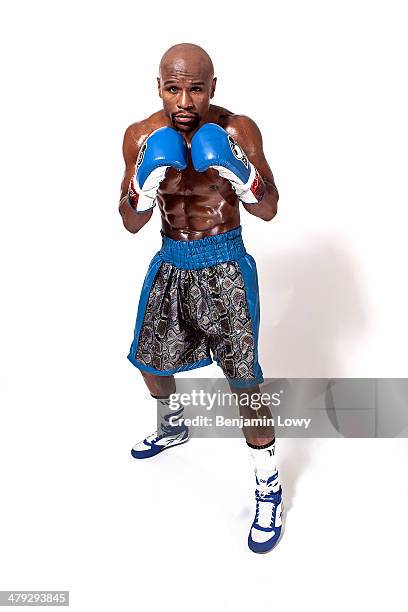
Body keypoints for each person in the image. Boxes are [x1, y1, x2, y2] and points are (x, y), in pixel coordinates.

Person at [119, 43, 283, 553]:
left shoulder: (238, 131)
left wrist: (242, 177)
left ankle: (268, 485)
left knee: (244, 380)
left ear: (213, 87)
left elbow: (270, 209)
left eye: (195, 87)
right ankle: (172, 427)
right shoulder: (141, 136)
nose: (184, 99)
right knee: (149, 360)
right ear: (159, 87)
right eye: (174, 88)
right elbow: (130, 222)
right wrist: (143, 188)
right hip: (171, 259)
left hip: (226, 260)